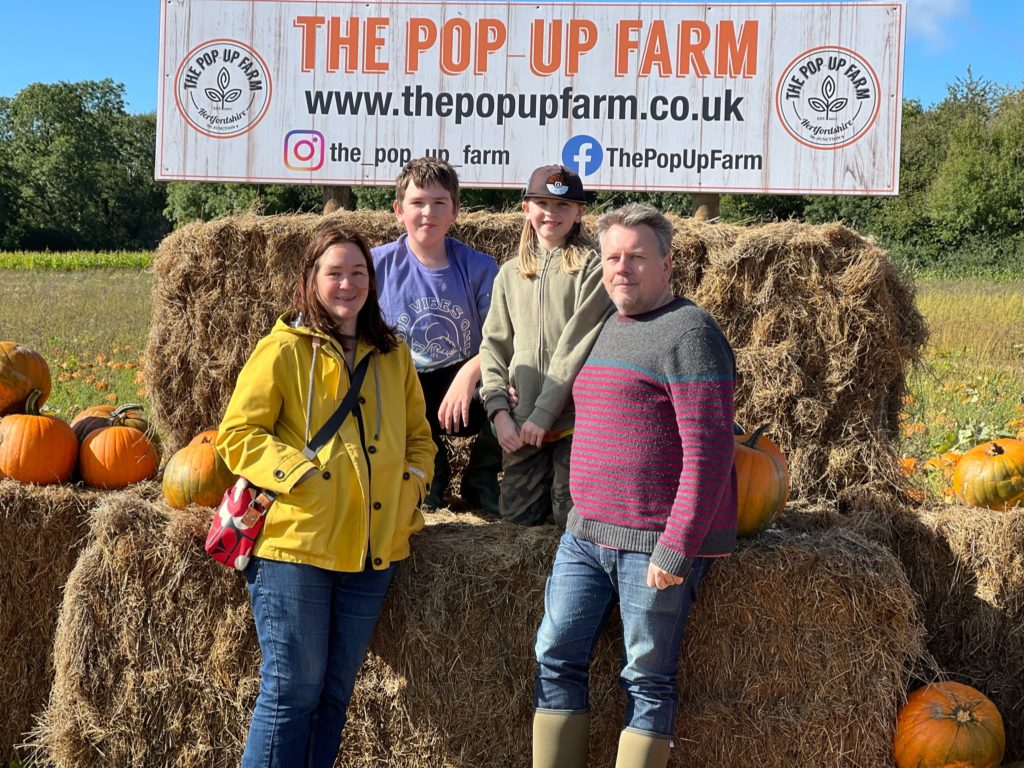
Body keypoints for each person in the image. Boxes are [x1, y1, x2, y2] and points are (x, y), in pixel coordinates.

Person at [216, 223, 435, 768]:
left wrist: (410, 485)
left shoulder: (393, 354)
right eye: (334, 272)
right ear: (311, 280)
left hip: (372, 549)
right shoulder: (283, 349)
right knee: (292, 693)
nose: (347, 284)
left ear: (372, 281)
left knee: (335, 696)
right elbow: (237, 435)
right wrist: (300, 473)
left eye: (358, 272)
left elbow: (419, 439)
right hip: (299, 546)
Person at [531, 203, 738, 768]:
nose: (621, 268)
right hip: (584, 536)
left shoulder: (691, 332)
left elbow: (711, 451)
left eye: (637, 257)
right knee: (555, 655)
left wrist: (678, 544)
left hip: (653, 542)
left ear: (667, 263)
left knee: (646, 677)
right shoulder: (603, 328)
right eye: (612, 257)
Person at [479, 164, 612, 527]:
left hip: (574, 422)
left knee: (570, 521)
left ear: (579, 212)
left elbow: (577, 345)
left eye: (563, 206)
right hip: (521, 424)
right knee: (518, 522)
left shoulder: (593, 269)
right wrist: (498, 410)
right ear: (525, 207)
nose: (551, 214)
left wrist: (544, 412)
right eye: (541, 203)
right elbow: (492, 345)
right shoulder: (509, 273)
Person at [372, 157, 502, 515]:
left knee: (519, 385)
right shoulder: (375, 266)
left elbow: (500, 339)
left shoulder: (480, 268)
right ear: (399, 211)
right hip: (405, 384)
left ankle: (482, 479)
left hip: (465, 384)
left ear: (455, 211)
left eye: (439, 203)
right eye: (417, 203)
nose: (428, 212)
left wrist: (468, 375)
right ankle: (430, 473)